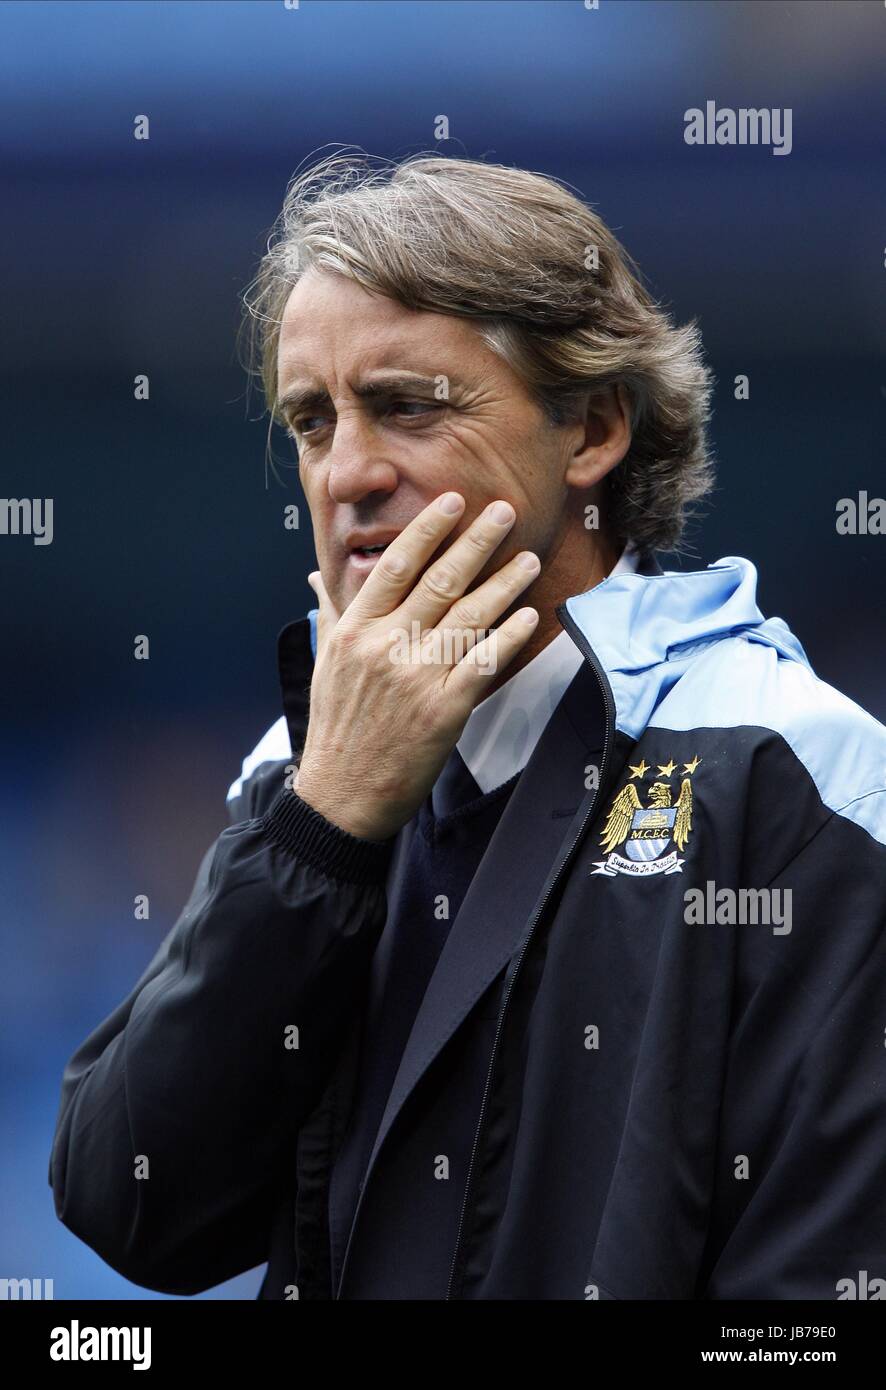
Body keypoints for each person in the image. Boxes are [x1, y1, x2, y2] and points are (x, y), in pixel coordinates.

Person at [50, 153, 886, 1300]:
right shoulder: (301, 773)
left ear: (589, 430)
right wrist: (325, 829)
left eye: (404, 405)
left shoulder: (801, 768)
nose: (346, 471)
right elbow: (130, 1205)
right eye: (311, 419)